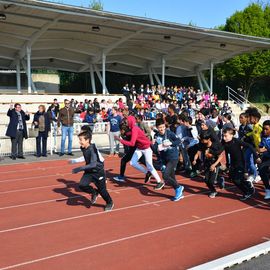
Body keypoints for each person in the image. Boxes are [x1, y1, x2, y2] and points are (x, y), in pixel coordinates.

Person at [115, 115, 165, 190]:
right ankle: (147, 173)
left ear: (130, 122)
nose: (126, 123)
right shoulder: (132, 128)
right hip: (139, 148)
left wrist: (120, 140)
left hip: (146, 148)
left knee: (149, 166)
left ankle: (160, 181)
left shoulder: (135, 129)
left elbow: (132, 143)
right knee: (132, 162)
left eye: (127, 122)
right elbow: (128, 134)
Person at [71, 130, 114, 211]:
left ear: (87, 140)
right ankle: (94, 192)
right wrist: (74, 161)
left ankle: (109, 202)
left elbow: (93, 164)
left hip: (98, 172)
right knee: (82, 185)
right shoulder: (83, 148)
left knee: (102, 191)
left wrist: (80, 168)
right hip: (89, 171)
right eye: (79, 139)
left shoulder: (92, 149)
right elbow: (86, 158)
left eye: (81, 140)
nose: (79, 142)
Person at [222, 127, 258, 201]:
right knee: (233, 179)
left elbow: (249, 146)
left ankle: (248, 191)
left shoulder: (236, 141)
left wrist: (256, 157)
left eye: (225, 136)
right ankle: (247, 183)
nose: (224, 137)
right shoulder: (224, 142)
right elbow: (225, 152)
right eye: (223, 136)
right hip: (233, 163)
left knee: (237, 180)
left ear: (232, 135)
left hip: (240, 163)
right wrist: (228, 164)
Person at [153, 118, 184, 201]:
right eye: (159, 127)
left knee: (165, 176)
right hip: (164, 158)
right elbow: (155, 149)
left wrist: (171, 143)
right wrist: (154, 146)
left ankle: (179, 187)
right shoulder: (156, 135)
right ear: (156, 127)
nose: (162, 129)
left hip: (173, 157)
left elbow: (178, 141)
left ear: (165, 126)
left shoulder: (169, 133)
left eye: (163, 127)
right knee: (172, 177)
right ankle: (179, 192)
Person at [193, 131, 224, 198]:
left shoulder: (215, 146)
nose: (202, 141)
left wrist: (214, 165)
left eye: (203, 140)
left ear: (209, 139)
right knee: (206, 180)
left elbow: (221, 156)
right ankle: (214, 189)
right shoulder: (202, 144)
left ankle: (216, 185)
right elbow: (198, 152)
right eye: (201, 140)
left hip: (214, 164)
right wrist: (195, 159)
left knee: (211, 181)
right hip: (207, 164)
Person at [258, 120, 270, 200]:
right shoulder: (263, 136)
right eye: (264, 129)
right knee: (262, 171)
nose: (264, 131)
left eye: (267, 129)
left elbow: (265, 149)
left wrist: (267, 149)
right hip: (266, 158)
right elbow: (261, 147)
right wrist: (259, 155)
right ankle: (268, 189)